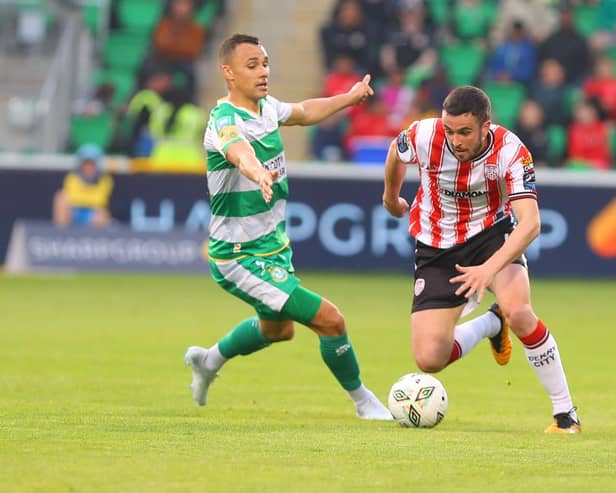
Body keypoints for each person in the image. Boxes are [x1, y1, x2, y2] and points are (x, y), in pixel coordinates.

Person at [183, 33, 392, 421]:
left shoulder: (266, 108)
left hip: (272, 245)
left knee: (279, 330)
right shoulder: (223, 120)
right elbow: (237, 149)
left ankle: (207, 361)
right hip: (239, 254)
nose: (263, 72)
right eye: (252, 66)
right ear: (228, 73)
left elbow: (305, 111)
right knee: (331, 320)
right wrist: (256, 171)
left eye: (265, 63)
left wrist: (348, 97)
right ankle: (364, 403)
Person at [381, 85, 581, 433]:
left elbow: (531, 223)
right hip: (436, 246)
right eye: (450, 131)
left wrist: (488, 270)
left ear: (485, 127)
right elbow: (397, 153)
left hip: (490, 237)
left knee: (519, 311)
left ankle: (565, 414)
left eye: (464, 132)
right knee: (430, 359)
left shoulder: (511, 151)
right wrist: (390, 196)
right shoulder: (424, 133)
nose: (455, 140)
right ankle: (491, 323)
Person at [52, 144, 113, 228]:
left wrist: (85, 193)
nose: (88, 167)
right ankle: (61, 233)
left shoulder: (105, 180)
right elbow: (70, 198)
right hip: (74, 212)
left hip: (92, 213)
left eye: (91, 164)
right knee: (61, 197)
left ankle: (95, 239)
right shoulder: (72, 178)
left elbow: (100, 201)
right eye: (85, 164)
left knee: (102, 215)